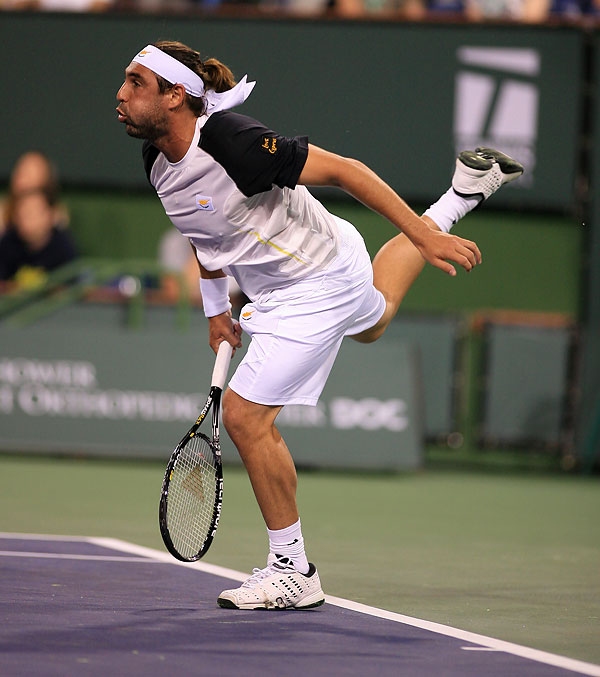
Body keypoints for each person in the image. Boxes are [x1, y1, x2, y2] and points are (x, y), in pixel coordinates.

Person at [116, 40, 523, 610]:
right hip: (321, 268)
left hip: (316, 280)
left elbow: (346, 171)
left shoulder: (233, 142)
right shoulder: (158, 161)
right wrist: (215, 311)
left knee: (246, 417)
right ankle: (460, 195)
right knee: (376, 319)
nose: (121, 94)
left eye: (136, 82)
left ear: (175, 95)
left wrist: (421, 236)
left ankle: (292, 571)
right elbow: (203, 235)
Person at [0, 189, 78, 289]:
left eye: (33, 213)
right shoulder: (7, 243)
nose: (25, 219)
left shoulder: (63, 246)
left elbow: (73, 286)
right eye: (21, 213)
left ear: (51, 215)